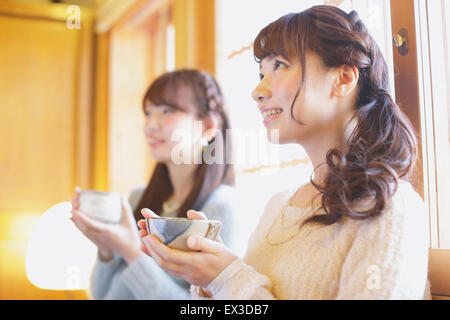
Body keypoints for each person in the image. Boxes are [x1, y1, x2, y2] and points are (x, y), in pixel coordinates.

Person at [137, 6, 431, 299]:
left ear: (343, 79)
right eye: (261, 72)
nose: (257, 91)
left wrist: (227, 276)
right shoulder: (278, 207)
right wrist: (208, 277)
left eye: (279, 65)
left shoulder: (389, 209)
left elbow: (245, 290)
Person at [70, 69, 237, 299]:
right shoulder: (138, 197)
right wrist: (107, 249)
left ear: (207, 126)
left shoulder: (222, 206)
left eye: (167, 111)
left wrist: (129, 250)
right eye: (148, 113)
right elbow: (101, 295)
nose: (150, 125)